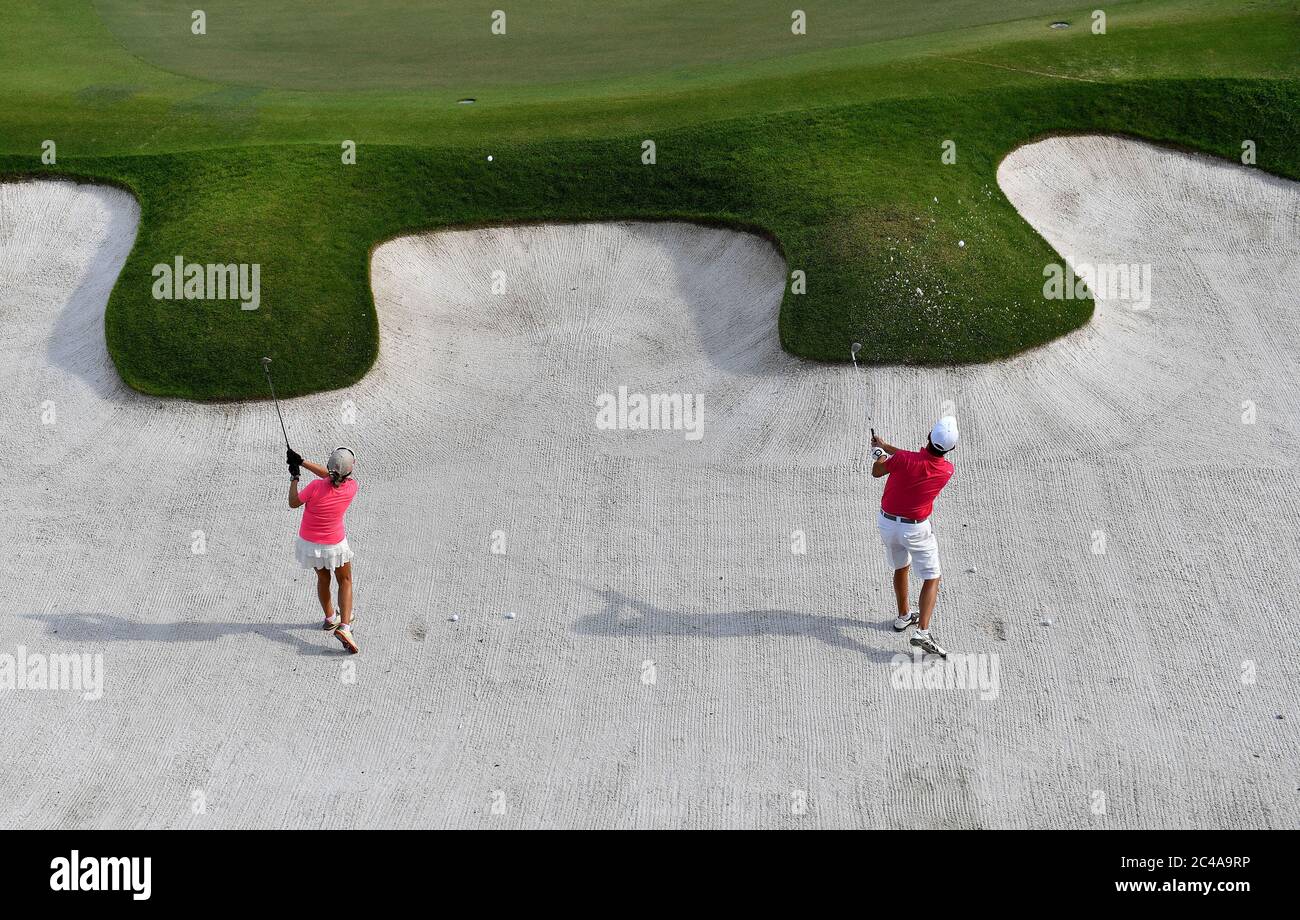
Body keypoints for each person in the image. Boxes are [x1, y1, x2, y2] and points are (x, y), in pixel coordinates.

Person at [870, 417, 957, 657]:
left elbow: (878, 471)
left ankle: (903, 616)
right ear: (951, 448)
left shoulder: (904, 460)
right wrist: (886, 447)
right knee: (932, 576)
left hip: (888, 524)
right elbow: (912, 459)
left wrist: (879, 454)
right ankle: (923, 631)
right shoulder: (947, 470)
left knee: (901, 567)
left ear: (929, 435)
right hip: (916, 529)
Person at [287, 446, 360, 654]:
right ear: (349, 471)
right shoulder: (351, 487)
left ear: (329, 468)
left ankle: (330, 618)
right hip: (334, 544)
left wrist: (295, 476)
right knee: (344, 581)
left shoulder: (315, 487)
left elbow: (293, 503)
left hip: (310, 544)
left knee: (323, 579)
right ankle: (345, 628)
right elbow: (331, 477)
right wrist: (301, 461)